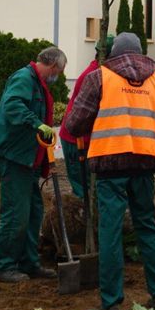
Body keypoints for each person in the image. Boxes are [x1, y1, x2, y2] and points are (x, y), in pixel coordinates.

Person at [64, 32, 155, 310]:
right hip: (144, 163)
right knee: (147, 226)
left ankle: (110, 307)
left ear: (113, 53)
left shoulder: (100, 77)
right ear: (140, 51)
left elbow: (73, 123)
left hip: (110, 165)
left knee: (110, 231)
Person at [0, 45, 67, 284]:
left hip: (27, 158)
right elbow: (13, 107)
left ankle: (29, 262)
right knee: (17, 213)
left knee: (33, 212)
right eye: (59, 71)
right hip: (13, 157)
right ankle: (5, 266)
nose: (58, 76)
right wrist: (37, 123)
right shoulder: (24, 78)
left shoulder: (36, 83)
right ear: (53, 66)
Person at [57, 34, 114, 199]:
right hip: (76, 138)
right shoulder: (93, 76)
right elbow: (82, 116)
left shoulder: (102, 72)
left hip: (86, 138)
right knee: (82, 185)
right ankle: (84, 218)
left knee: (91, 184)